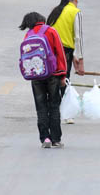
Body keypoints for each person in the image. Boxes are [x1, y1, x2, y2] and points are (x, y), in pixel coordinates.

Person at [19, 12, 67, 148]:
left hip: (36, 76)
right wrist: (63, 75)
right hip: (53, 74)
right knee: (54, 106)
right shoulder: (51, 31)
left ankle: (45, 138)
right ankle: (56, 139)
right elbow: (60, 52)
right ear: (41, 19)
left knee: (41, 108)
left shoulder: (28, 35)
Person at [47, 0, 85, 124]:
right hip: (65, 51)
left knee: (52, 79)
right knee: (64, 79)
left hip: (50, 50)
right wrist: (79, 59)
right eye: (77, 1)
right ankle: (66, 113)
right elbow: (78, 37)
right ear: (73, 0)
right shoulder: (75, 12)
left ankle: (52, 109)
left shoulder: (54, 11)